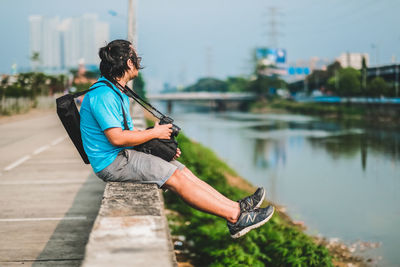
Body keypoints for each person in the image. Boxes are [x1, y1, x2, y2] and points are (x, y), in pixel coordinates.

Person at [80, 39, 274, 238]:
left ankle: (237, 207)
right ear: (128, 63)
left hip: (122, 156)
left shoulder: (114, 90)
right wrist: (155, 133)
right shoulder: (104, 94)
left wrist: (155, 140)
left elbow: (124, 133)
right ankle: (235, 218)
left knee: (181, 169)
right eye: (135, 57)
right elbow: (116, 138)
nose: (138, 61)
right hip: (113, 162)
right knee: (176, 178)